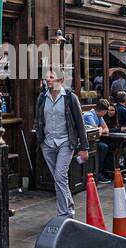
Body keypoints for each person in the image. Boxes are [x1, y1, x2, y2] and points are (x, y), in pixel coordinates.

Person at [34, 69, 89, 219]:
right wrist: (40, 140)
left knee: (60, 176)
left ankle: (65, 213)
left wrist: (84, 147)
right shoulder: (42, 98)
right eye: (46, 77)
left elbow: (79, 123)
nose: (47, 80)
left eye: (51, 77)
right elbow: (38, 119)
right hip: (48, 143)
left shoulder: (70, 98)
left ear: (60, 80)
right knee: (58, 179)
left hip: (65, 141)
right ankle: (67, 208)